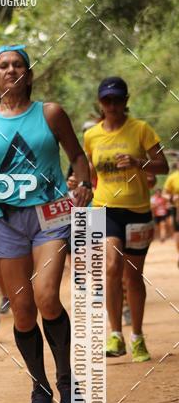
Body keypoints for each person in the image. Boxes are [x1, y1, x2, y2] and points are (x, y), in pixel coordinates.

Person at [0, 44, 92, 403]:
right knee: (21, 310)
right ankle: (40, 386)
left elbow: (77, 157)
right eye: (3, 66)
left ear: (29, 75)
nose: (11, 70)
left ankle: (67, 382)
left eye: (18, 64)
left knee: (46, 296)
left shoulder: (50, 114)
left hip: (49, 215)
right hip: (5, 220)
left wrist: (82, 183)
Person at [84, 77, 168, 362]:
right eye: (107, 101)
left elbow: (163, 165)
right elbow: (90, 172)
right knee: (111, 266)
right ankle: (116, 334)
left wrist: (138, 163)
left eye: (118, 100)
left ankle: (138, 336)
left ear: (125, 101)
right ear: (100, 103)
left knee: (133, 276)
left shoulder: (141, 129)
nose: (113, 106)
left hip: (137, 210)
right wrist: (80, 183)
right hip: (105, 207)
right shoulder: (92, 135)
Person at [163, 163, 179, 266]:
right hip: (177, 208)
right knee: (178, 231)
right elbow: (164, 193)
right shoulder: (173, 177)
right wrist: (172, 198)